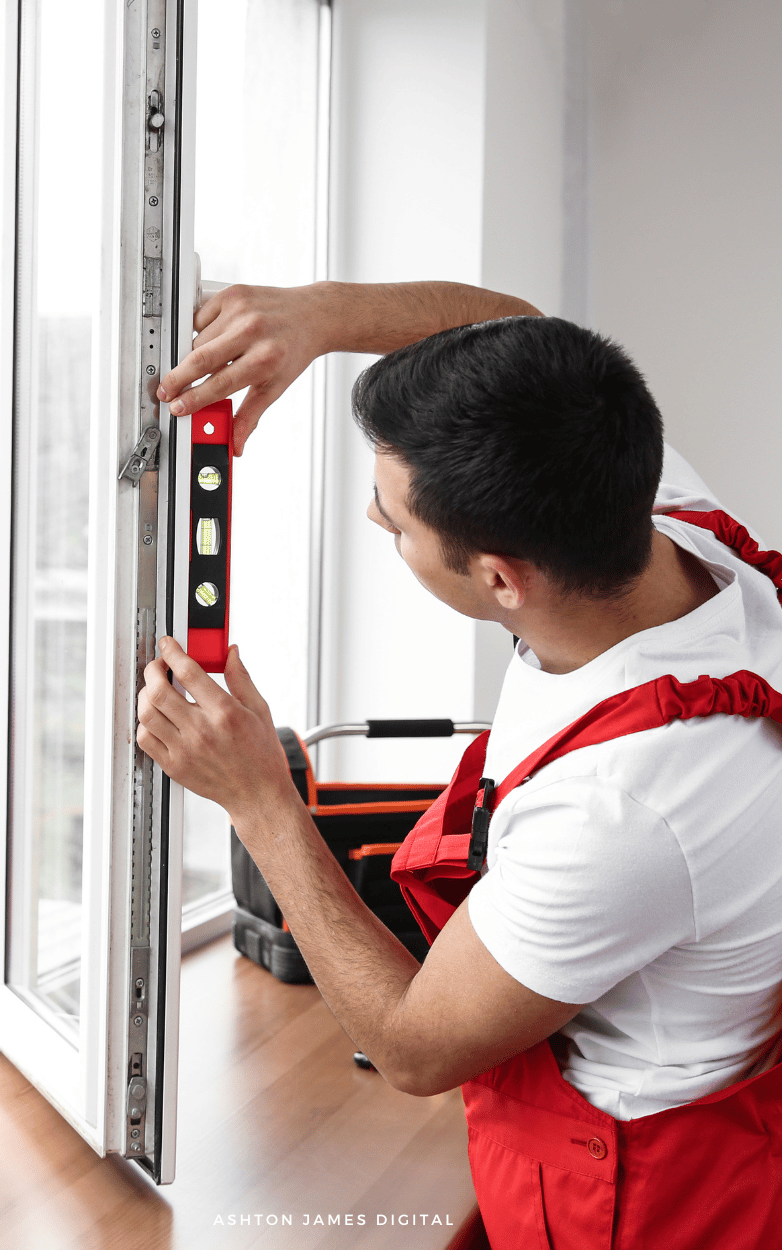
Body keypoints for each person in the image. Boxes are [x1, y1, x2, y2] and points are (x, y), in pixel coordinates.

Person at [137, 281, 782, 1248]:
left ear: (499, 578)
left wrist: (260, 800)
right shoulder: (657, 527)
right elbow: (518, 335)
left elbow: (412, 1048)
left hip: (634, 1198)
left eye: (396, 520)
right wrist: (321, 321)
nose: (374, 520)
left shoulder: (626, 804)